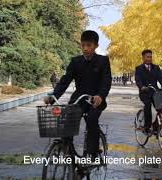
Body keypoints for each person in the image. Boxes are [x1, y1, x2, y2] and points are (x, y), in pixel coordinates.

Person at [43, 30, 112, 161]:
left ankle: (92, 154)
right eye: (83, 45)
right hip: (79, 99)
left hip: (95, 100)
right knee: (67, 120)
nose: (85, 48)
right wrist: (52, 97)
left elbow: (106, 81)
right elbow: (64, 81)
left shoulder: (103, 61)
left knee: (92, 119)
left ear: (96, 46)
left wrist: (100, 96)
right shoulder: (76, 62)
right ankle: (67, 148)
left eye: (89, 45)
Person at [135, 49, 162, 135]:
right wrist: (142, 87)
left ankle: (155, 127)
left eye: (151, 57)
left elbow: (161, 80)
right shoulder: (139, 68)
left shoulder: (156, 68)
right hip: (145, 92)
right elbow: (138, 80)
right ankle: (147, 127)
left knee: (160, 108)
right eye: (147, 57)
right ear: (143, 57)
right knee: (147, 106)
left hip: (155, 92)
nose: (149, 58)